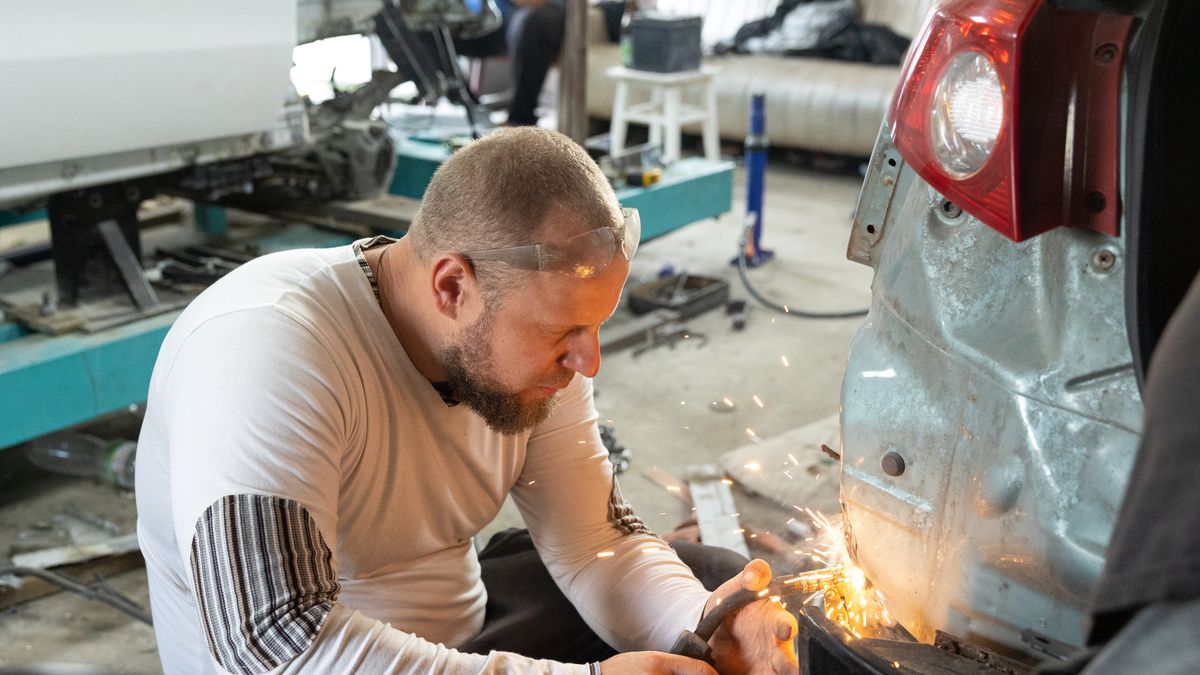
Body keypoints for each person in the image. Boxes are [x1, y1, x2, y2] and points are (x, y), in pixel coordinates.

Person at [135, 127, 798, 674]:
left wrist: (702, 624)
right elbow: (274, 642)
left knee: (713, 583)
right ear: (452, 287)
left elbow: (593, 538)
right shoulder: (264, 347)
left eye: (595, 325)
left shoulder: (538, 354)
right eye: (562, 331)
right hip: (322, 662)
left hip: (464, 641)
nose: (588, 360)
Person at [453, 0, 566, 126]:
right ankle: (468, 102)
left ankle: (521, 121)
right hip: (490, 15)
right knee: (437, 33)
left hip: (524, 16)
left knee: (531, 22)